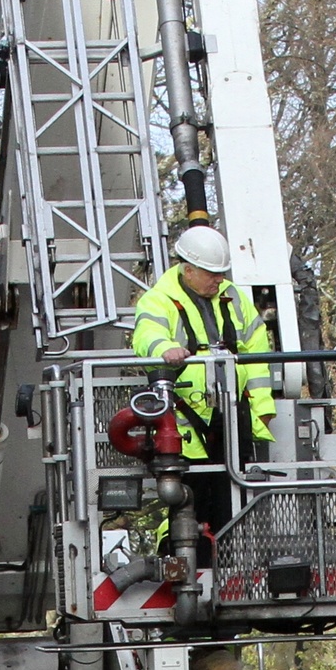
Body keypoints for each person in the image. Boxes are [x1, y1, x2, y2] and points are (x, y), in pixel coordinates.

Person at [131, 221, 279, 557]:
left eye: (222, 272)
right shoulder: (159, 300)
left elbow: (257, 357)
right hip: (183, 426)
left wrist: (262, 409)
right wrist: (165, 349)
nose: (219, 279)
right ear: (187, 269)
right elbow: (146, 338)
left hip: (231, 420)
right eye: (212, 273)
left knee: (232, 499)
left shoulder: (234, 298)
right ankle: (178, 556)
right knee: (186, 498)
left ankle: (230, 560)